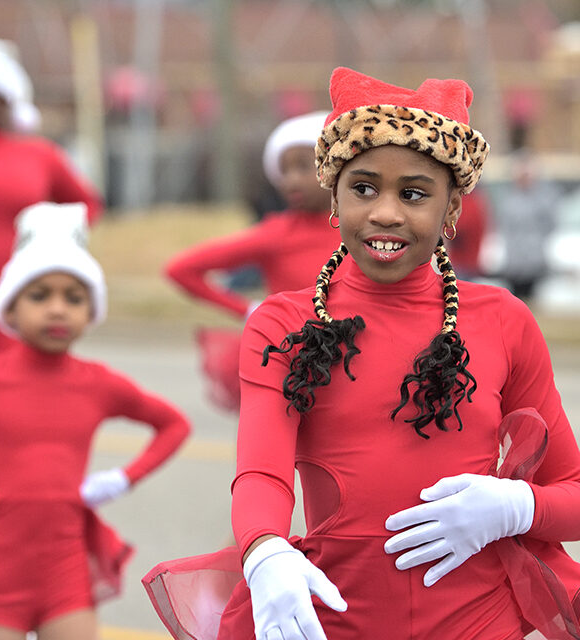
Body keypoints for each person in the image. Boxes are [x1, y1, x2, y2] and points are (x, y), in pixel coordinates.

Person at [143, 68, 580, 640]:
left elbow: (571, 490)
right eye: (364, 187)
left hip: (480, 621)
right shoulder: (283, 323)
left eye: (415, 194)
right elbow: (261, 474)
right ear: (335, 196)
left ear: (452, 208)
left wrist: (518, 507)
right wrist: (266, 551)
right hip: (336, 618)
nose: (386, 214)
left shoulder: (503, 320)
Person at [0, 202, 190, 639]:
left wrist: (122, 478)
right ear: (10, 308)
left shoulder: (98, 384)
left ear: (90, 312)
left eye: (74, 298)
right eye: (40, 296)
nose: (58, 309)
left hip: (66, 573)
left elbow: (174, 424)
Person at [0, 33, 103, 474]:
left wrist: (56, 241)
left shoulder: (37, 154)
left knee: (9, 469)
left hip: (19, 322)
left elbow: (86, 204)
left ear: (5, 100)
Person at [165, 111, 344, 411]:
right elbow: (181, 269)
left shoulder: (363, 229)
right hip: (298, 362)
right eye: (284, 171)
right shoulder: (277, 233)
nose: (291, 180)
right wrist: (248, 310)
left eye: (304, 166)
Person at [494, 151, 561, 300]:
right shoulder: (508, 197)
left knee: (533, 301)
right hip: (513, 261)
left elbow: (551, 224)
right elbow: (503, 225)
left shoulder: (543, 198)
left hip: (534, 260)